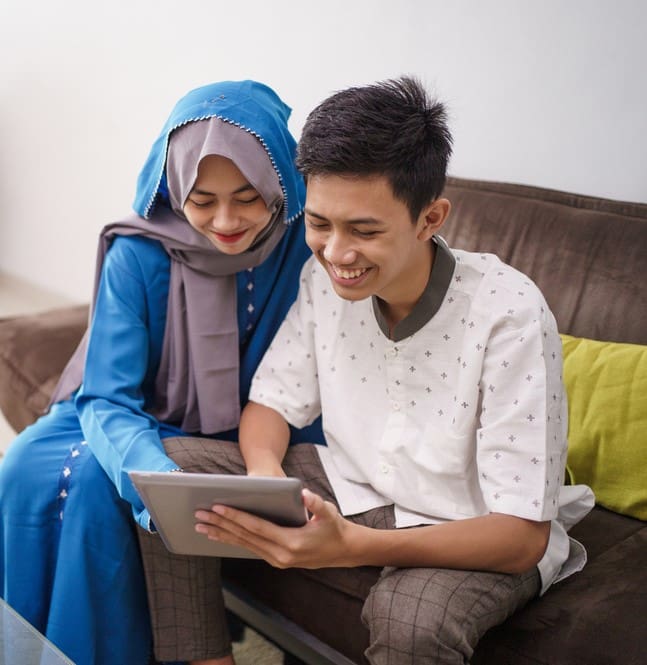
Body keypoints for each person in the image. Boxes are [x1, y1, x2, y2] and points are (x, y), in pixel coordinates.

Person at [138, 76, 594, 664]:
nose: (336, 253)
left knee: (407, 620)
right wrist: (265, 479)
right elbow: (273, 404)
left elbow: (521, 536)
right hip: (354, 486)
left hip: (467, 523)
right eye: (321, 224)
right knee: (176, 471)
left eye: (365, 230)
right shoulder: (320, 279)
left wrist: (349, 546)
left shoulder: (509, 313)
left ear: (431, 218)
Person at [0, 79, 324, 665]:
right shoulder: (140, 251)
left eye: (248, 196)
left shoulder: (308, 244)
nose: (225, 220)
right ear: (174, 187)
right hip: (124, 418)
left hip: (251, 427)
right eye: (202, 199)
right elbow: (105, 397)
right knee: (31, 468)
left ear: (279, 179)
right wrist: (155, 478)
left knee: (96, 493)